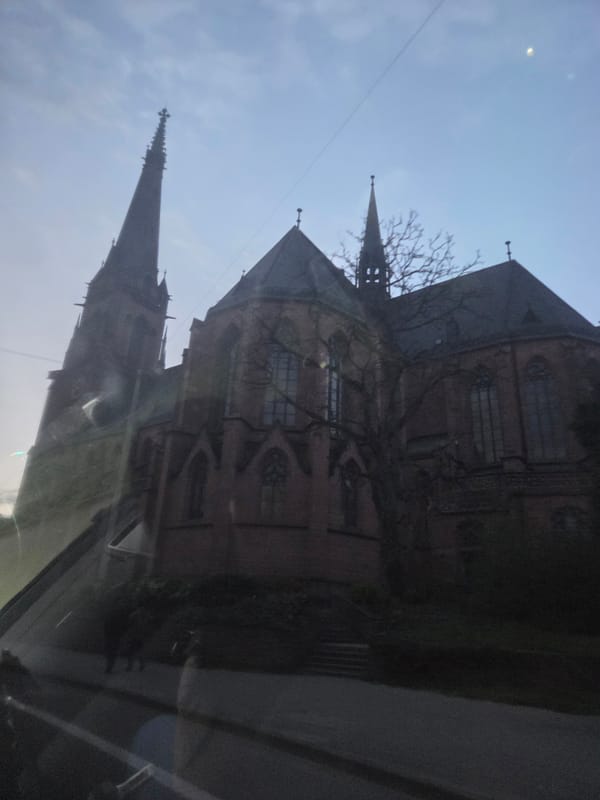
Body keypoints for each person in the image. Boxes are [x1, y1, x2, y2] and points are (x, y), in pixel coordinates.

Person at [123, 606, 153, 672]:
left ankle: (130, 666)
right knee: (140, 651)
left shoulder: (134, 615)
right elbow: (149, 625)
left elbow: (129, 624)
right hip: (141, 636)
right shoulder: (147, 615)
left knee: (131, 651)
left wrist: (128, 634)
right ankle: (141, 665)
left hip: (134, 635)